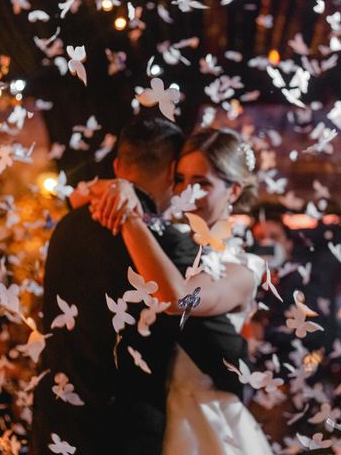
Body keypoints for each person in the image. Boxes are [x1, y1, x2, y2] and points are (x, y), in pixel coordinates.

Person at [31, 116, 212, 454]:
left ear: (117, 165)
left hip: (58, 421)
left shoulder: (67, 227)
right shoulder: (170, 246)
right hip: (125, 431)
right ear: (173, 171)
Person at [90, 127, 273, 454]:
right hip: (144, 421)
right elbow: (78, 194)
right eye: (180, 179)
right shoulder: (163, 240)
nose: (187, 192)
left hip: (206, 424)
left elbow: (179, 299)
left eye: (202, 183)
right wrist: (120, 189)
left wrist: (129, 213)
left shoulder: (245, 267)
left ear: (234, 191)